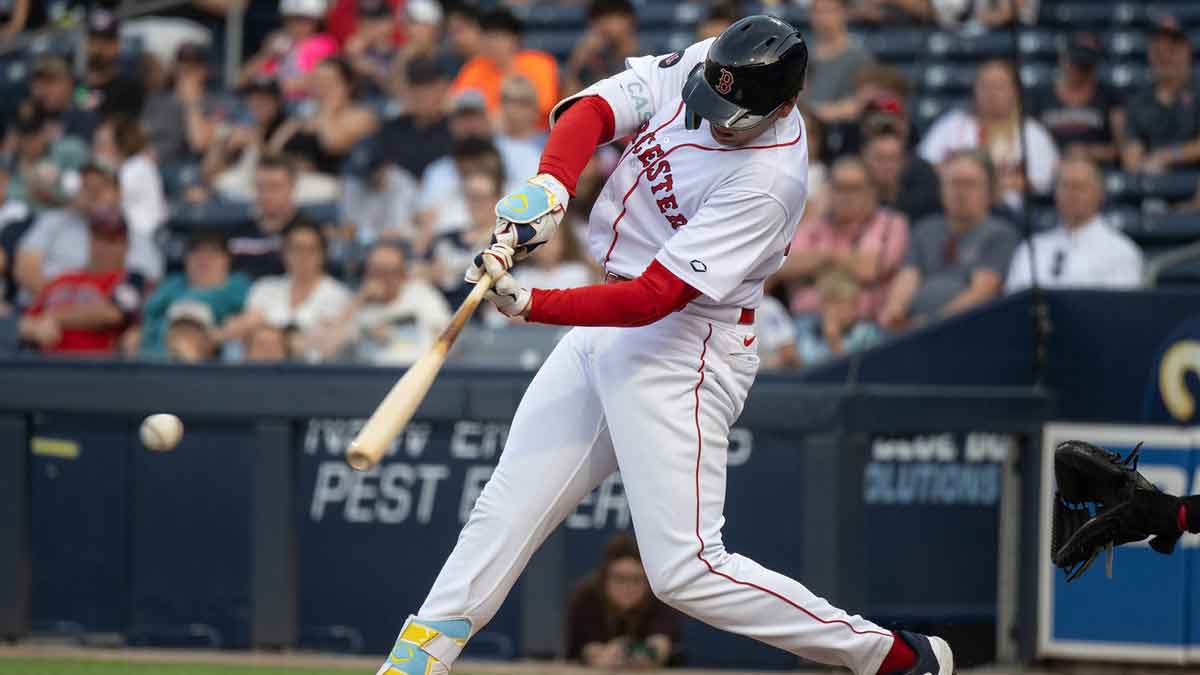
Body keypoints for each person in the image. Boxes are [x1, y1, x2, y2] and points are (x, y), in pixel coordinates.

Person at [378, 16, 952, 675]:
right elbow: (595, 106)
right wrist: (553, 184)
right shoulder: (713, 63)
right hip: (608, 318)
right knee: (505, 507)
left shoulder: (771, 181)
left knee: (686, 570)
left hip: (684, 346)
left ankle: (892, 656)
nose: (714, 118)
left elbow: (657, 297)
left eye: (734, 112)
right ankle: (416, 661)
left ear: (786, 104)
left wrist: (536, 303)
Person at [879, 150, 1019, 331]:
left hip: (966, 330)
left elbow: (980, 294)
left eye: (969, 184)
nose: (960, 193)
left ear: (990, 191)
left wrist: (929, 325)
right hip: (914, 328)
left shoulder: (1001, 234)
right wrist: (893, 312)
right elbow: (907, 278)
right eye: (953, 183)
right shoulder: (925, 228)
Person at [777, 157, 909, 321]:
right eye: (840, 188)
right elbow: (781, 265)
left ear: (871, 191)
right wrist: (832, 257)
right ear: (829, 191)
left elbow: (869, 269)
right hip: (808, 319)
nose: (847, 197)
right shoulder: (815, 226)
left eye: (854, 189)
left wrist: (816, 262)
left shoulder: (890, 223)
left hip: (865, 322)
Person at [919, 60, 1060, 210]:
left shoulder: (1032, 133)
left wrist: (993, 186)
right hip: (952, 210)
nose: (991, 93)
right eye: (985, 86)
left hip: (1011, 214)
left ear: (1015, 91)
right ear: (975, 90)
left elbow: (1044, 182)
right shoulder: (951, 125)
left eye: (999, 86)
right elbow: (925, 168)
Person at [14, 162, 162, 298]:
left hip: (103, 318)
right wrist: (57, 306)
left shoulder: (139, 242)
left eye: (101, 186)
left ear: (119, 193)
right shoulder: (53, 221)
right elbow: (25, 270)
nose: (92, 193)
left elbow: (144, 293)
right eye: (86, 186)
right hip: (40, 312)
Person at [18, 209, 146, 355]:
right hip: (46, 366)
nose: (105, 249)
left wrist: (54, 317)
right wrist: (34, 329)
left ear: (125, 246)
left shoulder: (131, 279)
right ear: (90, 241)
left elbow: (114, 313)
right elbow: (25, 321)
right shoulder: (62, 279)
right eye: (100, 239)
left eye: (113, 241)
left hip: (94, 369)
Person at [1005, 157, 1142, 293]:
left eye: (1080, 187)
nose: (1072, 194)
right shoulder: (1031, 248)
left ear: (1100, 193)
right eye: (1065, 186)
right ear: (1055, 193)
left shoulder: (1121, 251)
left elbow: (1119, 309)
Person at [222, 220, 351, 362]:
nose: (303, 256)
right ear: (284, 253)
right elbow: (242, 330)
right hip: (259, 366)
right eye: (296, 249)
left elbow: (328, 345)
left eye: (311, 249)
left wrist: (279, 338)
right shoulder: (264, 287)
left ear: (323, 254)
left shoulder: (338, 295)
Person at [314, 241, 451, 364]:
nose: (383, 279)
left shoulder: (421, 294)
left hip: (416, 375)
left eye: (391, 272)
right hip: (372, 381)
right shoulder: (355, 307)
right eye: (376, 271)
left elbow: (447, 337)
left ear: (403, 275)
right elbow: (326, 352)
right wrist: (358, 301)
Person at [567, 533, 683, 668]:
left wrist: (644, 653)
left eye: (636, 579)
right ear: (604, 578)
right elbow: (586, 648)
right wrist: (600, 656)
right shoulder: (586, 598)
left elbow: (660, 645)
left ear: (649, 582)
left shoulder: (662, 598)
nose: (628, 587)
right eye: (620, 578)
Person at [138, 231, 251, 358]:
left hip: (213, 355)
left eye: (212, 252)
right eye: (196, 252)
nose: (203, 259)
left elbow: (226, 307)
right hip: (157, 351)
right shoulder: (172, 284)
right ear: (186, 259)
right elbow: (150, 312)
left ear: (226, 259)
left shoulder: (238, 285)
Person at [269, 57, 379, 181]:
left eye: (328, 82)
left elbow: (333, 144)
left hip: (335, 186)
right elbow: (273, 152)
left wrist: (327, 112)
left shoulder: (361, 115)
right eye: (317, 81)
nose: (321, 88)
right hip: (295, 184)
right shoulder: (303, 117)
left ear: (348, 85)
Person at [451, 7, 558, 129]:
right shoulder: (475, 67)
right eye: (486, 37)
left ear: (515, 39)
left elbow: (544, 106)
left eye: (497, 37)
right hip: (487, 138)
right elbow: (454, 105)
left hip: (535, 136)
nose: (491, 44)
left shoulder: (539, 63)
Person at [1028, 33, 1123, 168]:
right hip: (1051, 167)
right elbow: (1030, 141)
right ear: (1063, 59)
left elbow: (1121, 149)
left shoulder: (1110, 97)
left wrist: (1089, 153)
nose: (1079, 71)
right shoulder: (1040, 96)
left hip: (1095, 170)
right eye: (1075, 63)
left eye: (1085, 65)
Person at [1121, 14, 1200, 174]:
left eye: (1172, 48)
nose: (1165, 55)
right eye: (1158, 49)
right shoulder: (1138, 100)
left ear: (1187, 50)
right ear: (1150, 53)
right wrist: (1142, 165)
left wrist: (1167, 156)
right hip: (1152, 184)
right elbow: (1131, 154)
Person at [203, 76, 289, 202]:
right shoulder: (240, 127)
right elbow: (208, 173)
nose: (258, 103)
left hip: (271, 193)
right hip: (238, 191)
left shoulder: (290, 127)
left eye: (265, 99)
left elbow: (284, 170)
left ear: (277, 102)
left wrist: (257, 144)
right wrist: (224, 147)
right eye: (253, 98)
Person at [227, 156, 313, 278]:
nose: (266, 194)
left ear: (292, 187)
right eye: (261, 187)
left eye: (274, 187)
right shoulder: (237, 232)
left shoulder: (308, 234)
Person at [374, 58, 455, 180]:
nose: (422, 95)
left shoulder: (455, 128)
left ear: (442, 90)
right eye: (416, 87)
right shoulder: (393, 128)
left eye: (429, 87)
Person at [240, 0, 339, 99]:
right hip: (269, 103)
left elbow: (317, 81)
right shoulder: (277, 42)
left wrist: (269, 87)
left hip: (303, 104)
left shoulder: (325, 44)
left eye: (305, 20)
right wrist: (267, 54)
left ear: (317, 21)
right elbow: (240, 80)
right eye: (291, 19)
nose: (297, 25)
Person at [141, 42, 220, 165]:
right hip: (152, 162)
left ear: (204, 70)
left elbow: (199, 144)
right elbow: (142, 134)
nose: (184, 73)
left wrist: (192, 102)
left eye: (192, 68)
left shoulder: (213, 102)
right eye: (181, 67)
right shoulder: (158, 99)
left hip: (187, 166)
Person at [92, 116, 169, 239]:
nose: (98, 149)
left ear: (120, 143)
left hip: (147, 238)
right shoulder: (125, 167)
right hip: (127, 237)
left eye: (103, 143)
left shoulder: (138, 167)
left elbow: (104, 199)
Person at [2, 102, 88, 213]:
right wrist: (31, 191)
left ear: (43, 133)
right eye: (24, 139)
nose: (30, 144)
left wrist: (57, 183)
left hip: (72, 212)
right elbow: (11, 195)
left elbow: (85, 182)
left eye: (34, 136)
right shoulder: (10, 162)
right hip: (33, 218)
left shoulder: (70, 148)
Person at [805, 0, 875, 125]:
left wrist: (816, 113)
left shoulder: (858, 55)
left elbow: (863, 101)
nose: (822, 18)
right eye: (817, 11)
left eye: (829, 11)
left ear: (844, 13)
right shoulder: (803, 54)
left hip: (842, 130)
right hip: (807, 129)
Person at [797, 269, 885, 366]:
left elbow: (855, 370)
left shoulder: (866, 334)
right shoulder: (808, 333)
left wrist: (834, 340)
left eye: (851, 304)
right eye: (833, 305)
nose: (851, 312)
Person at [862, 126, 941, 226]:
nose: (886, 165)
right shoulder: (852, 201)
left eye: (892, 158)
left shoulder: (922, 204)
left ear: (903, 162)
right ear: (865, 159)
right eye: (879, 158)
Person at [563, 0, 639, 97]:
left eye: (616, 17)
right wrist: (579, 58)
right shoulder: (590, 61)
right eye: (603, 18)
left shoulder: (646, 58)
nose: (610, 26)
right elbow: (567, 100)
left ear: (631, 21)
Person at [81, 8, 146, 120]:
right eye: (94, 40)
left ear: (117, 46)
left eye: (105, 42)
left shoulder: (130, 89)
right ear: (86, 44)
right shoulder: (77, 85)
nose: (98, 48)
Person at [29, 55, 96, 142]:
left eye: (50, 83)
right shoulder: (33, 114)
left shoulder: (86, 116)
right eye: (38, 85)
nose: (42, 92)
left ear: (69, 83)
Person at [498, 76, 548, 150]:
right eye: (507, 101)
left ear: (535, 109)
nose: (512, 109)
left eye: (521, 103)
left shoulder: (548, 146)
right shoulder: (491, 144)